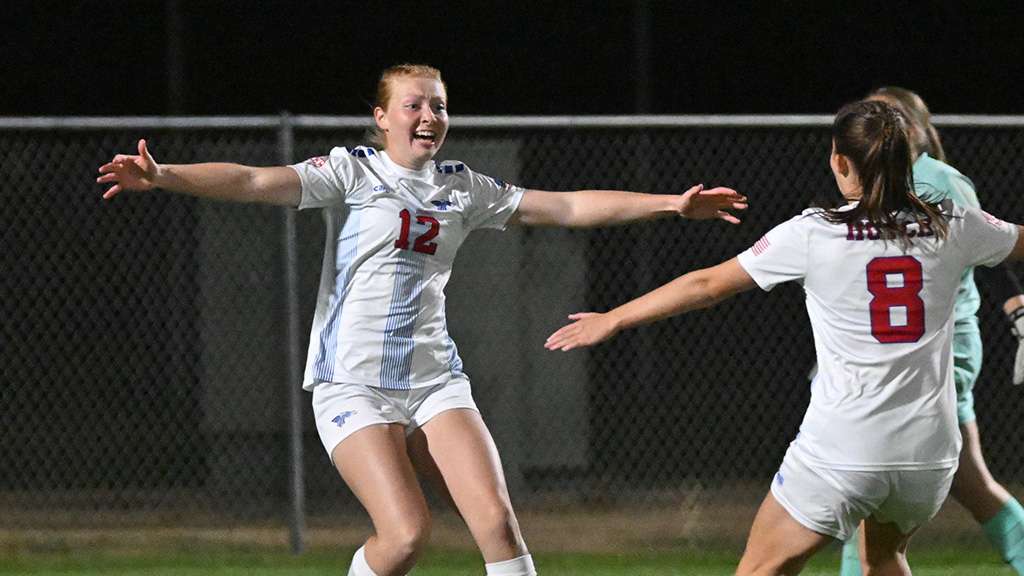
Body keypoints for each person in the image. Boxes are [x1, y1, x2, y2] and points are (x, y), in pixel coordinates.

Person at [96, 63, 747, 576]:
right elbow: (250, 181)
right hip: (353, 383)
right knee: (406, 535)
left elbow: (569, 207)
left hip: (437, 381)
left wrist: (670, 203)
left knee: (496, 524)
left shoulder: (461, 187)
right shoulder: (350, 173)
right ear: (381, 117)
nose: (430, 114)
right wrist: (165, 174)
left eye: (438, 103)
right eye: (415, 103)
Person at [545, 99, 1024, 575]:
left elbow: (706, 285)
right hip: (929, 453)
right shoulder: (954, 224)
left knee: (759, 570)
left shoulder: (815, 232)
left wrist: (614, 318)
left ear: (840, 162)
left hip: (846, 447)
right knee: (885, 558)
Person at [831, 86, 1024, 576]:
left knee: (871, 495)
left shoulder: (937, 180)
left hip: (932, 351)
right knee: (963, 483)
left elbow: (985, 244)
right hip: (905, 349)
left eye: (885, 117)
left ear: (911, 129)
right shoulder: (885, 180)